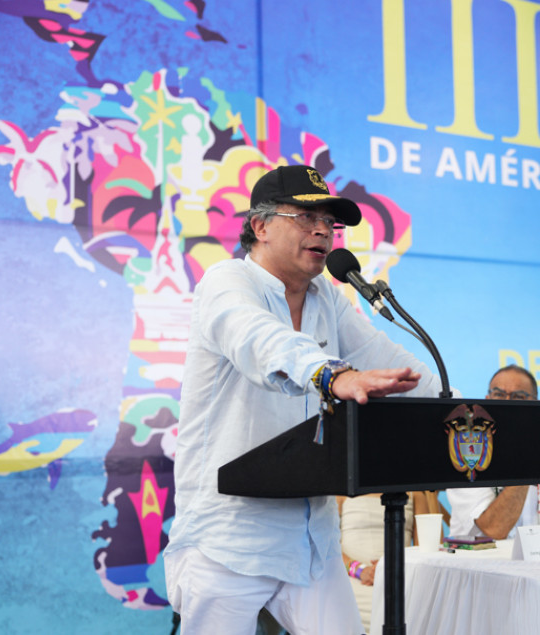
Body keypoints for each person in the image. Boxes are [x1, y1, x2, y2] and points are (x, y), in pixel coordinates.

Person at [163, 164, 443, 635]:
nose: (323, 232)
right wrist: (332, 374)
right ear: (260, 226)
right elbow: (261, 340)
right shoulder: (227, 283)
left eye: (329, 224)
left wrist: (455, 408)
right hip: (228, 539)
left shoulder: (327, 300)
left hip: (312, 540)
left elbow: (394, 365)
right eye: (305, 218)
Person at [446, 365, 540, 539]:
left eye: (519, 396)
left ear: (536, 404)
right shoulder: (468, 449)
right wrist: (528, 457)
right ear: (487, 399)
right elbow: (494, 529)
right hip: (481, 560)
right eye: (499, 394)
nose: (507, 402)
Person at [336, 492, 430, 634]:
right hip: (352, 579)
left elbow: (427, 548)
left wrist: (395, 568)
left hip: (400, 579)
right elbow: (328, 546)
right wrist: (360, 570)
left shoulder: (415, 494)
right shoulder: (342, 494)